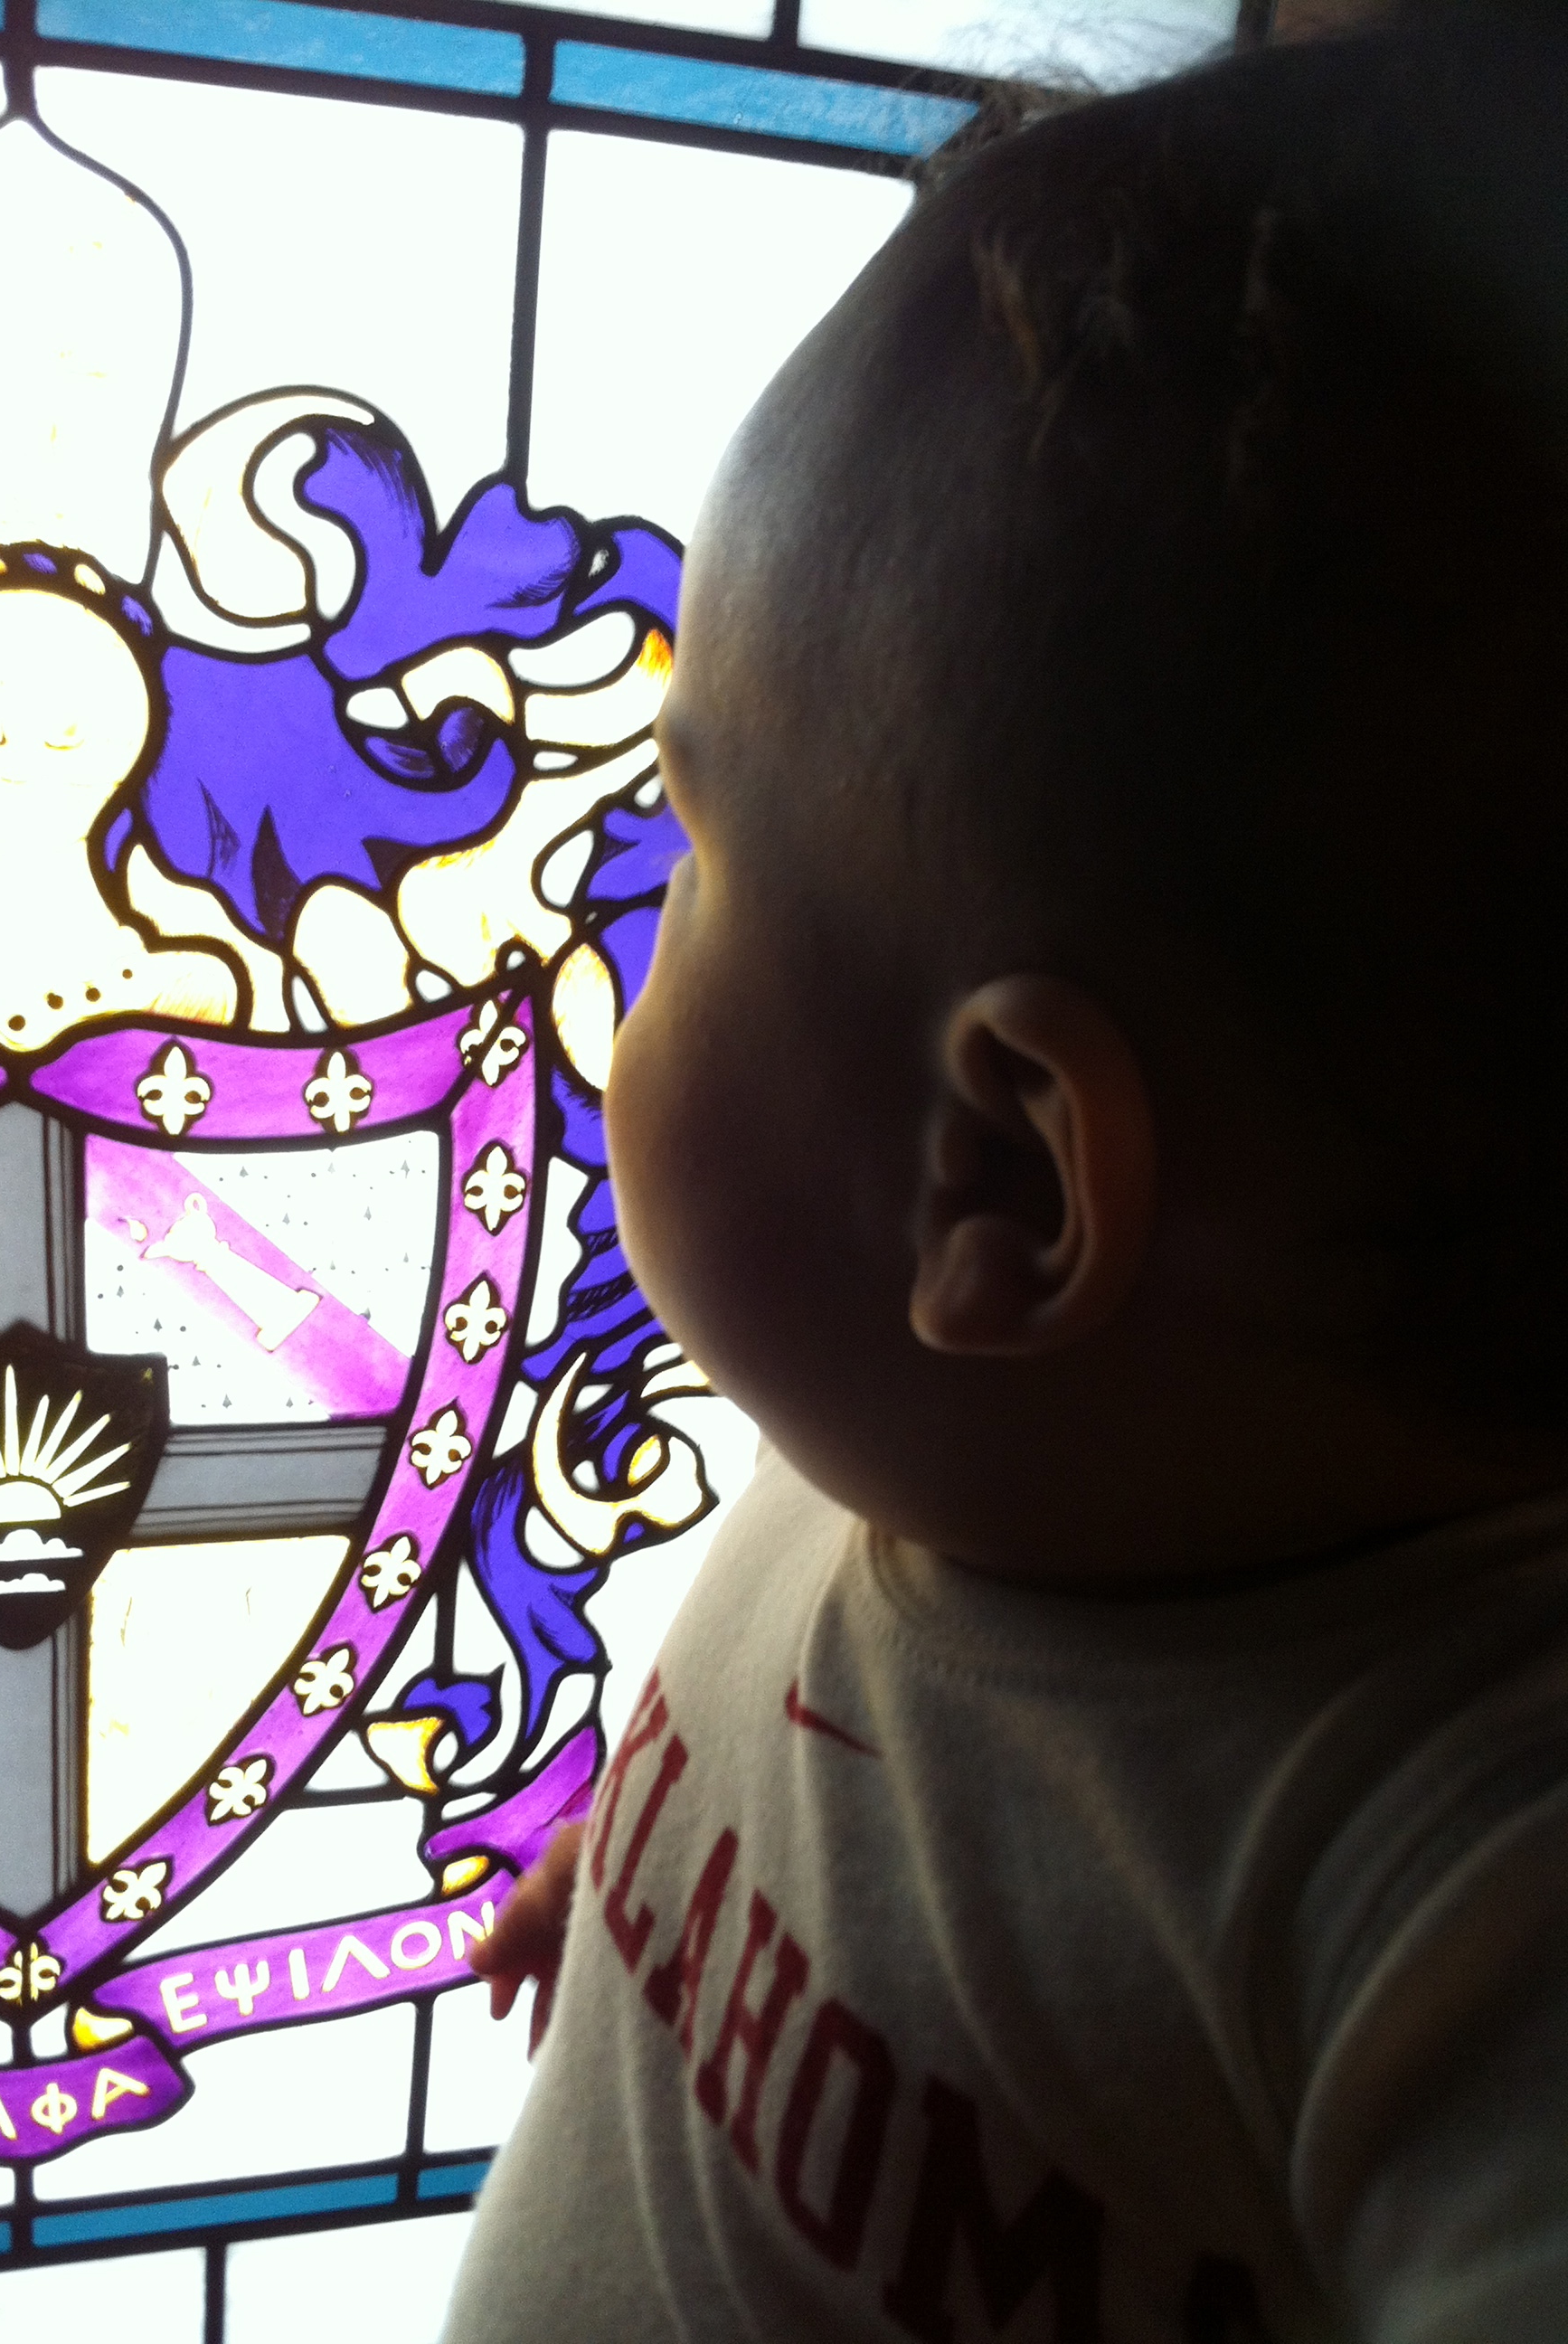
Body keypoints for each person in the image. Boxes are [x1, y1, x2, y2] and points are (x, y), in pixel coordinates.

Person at [446, 12, 1568, 2338]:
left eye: (693, 851)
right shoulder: (957, 1435)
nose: (627, 922)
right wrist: (658, 1871)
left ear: (1001, 1188)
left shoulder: (1464, 1875)